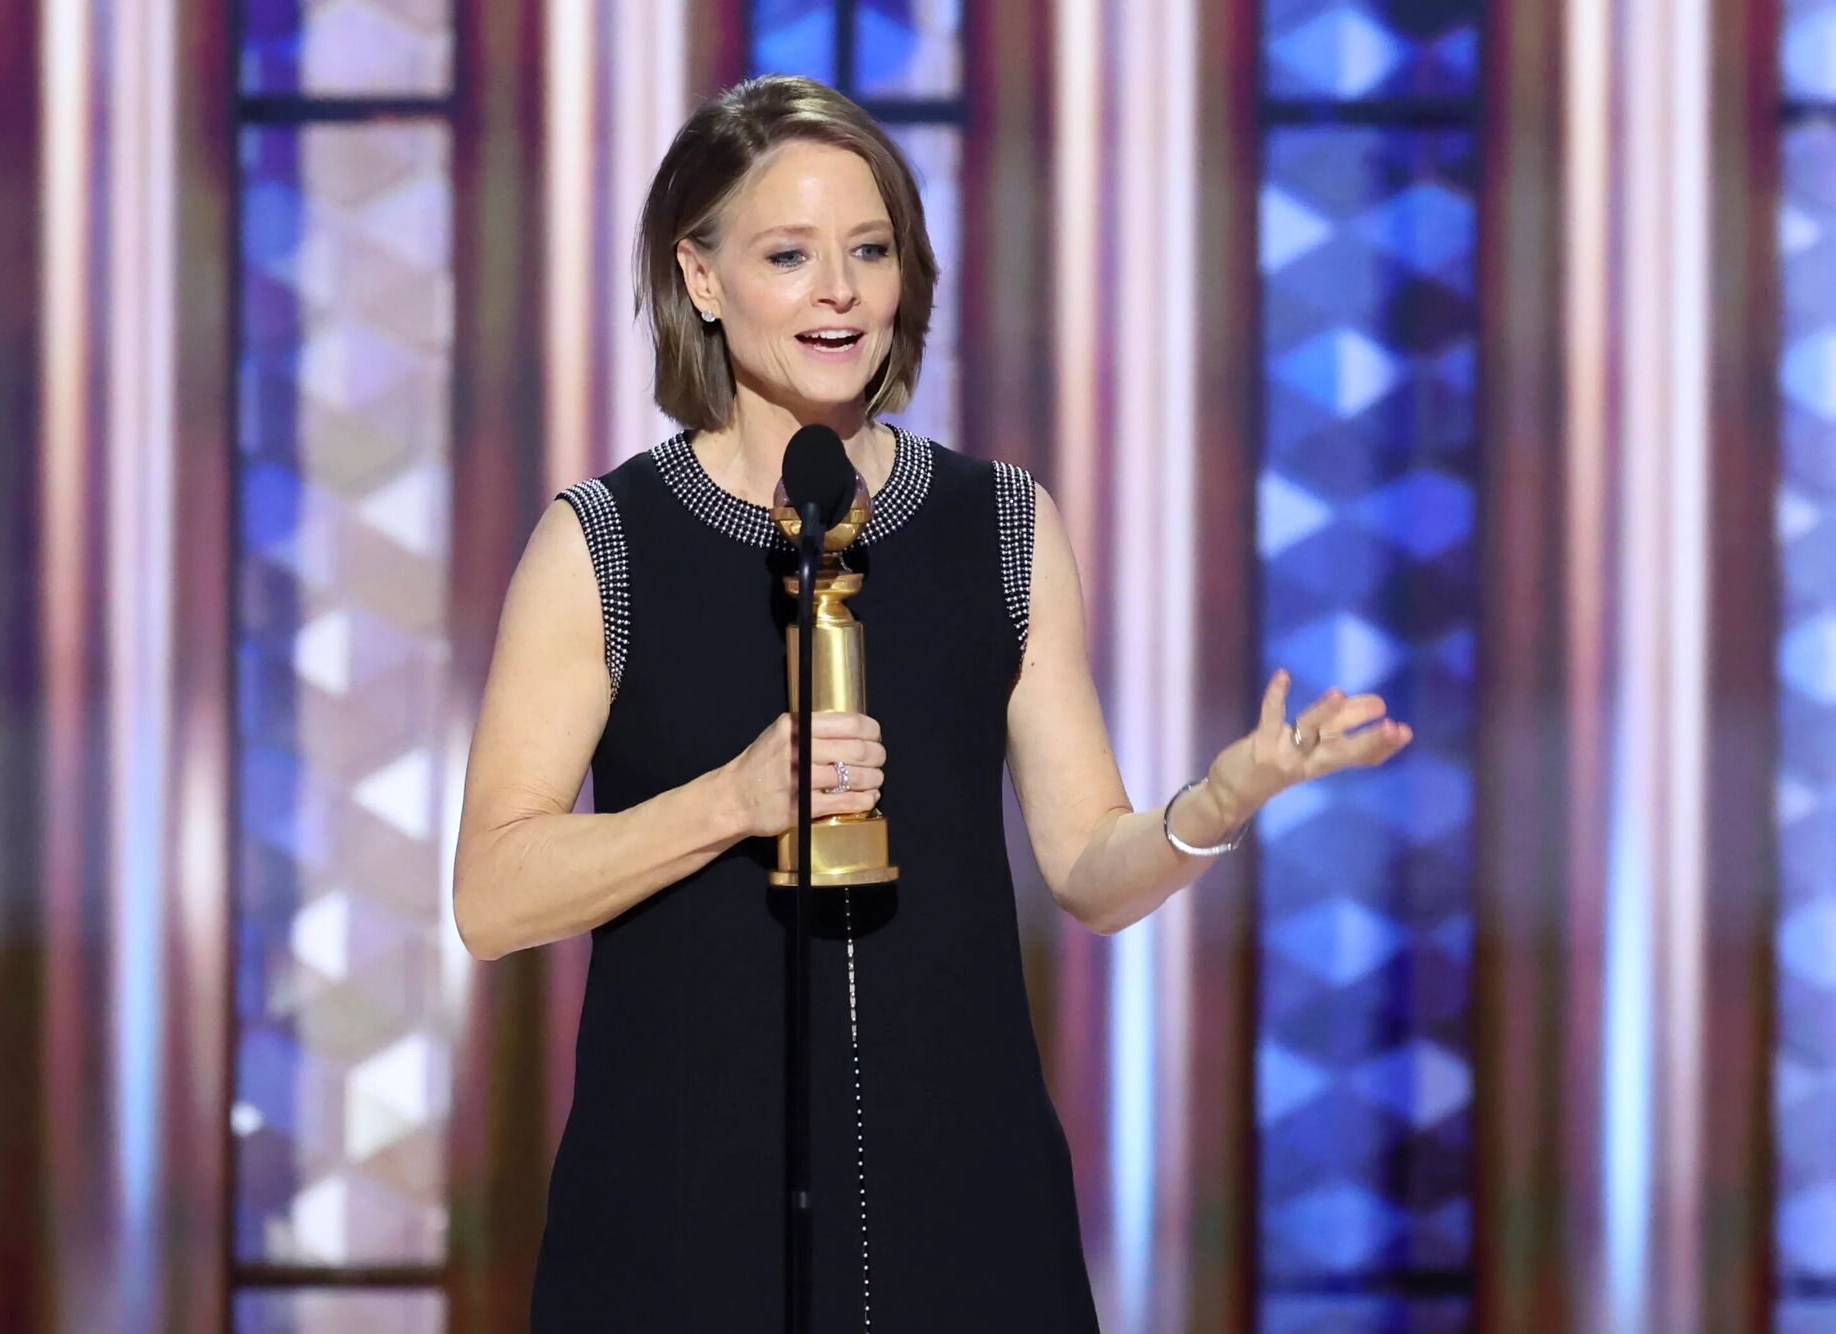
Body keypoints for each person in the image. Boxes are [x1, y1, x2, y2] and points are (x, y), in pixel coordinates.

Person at [451, 73, 1413, 1333]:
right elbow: (492, 893)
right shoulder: (604, 541)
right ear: (698, 277)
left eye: (869, 249)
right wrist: (732, 799)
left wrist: (1220, 799)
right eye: (788, 255)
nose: (838, 292)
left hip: (966, 1205)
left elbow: (1084, 861)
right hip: (679, 1213)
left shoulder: (998, 524)